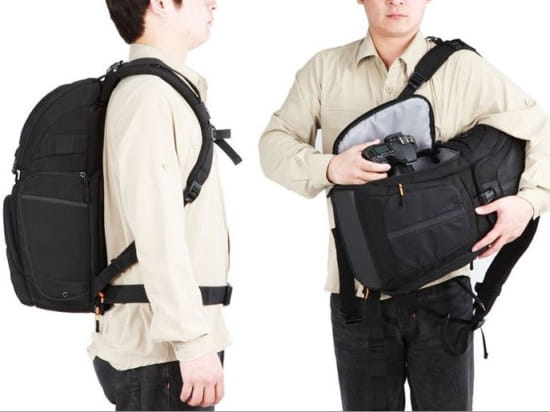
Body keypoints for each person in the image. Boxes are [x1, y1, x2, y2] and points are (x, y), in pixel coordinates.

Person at [259, 0, 550, 410]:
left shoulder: (462, 68)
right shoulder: (324, 70)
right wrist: (330, 167)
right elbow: (273, 146)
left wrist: (529, 203)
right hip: (358, 295)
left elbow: (541, 129)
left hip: (443, 290)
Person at [89, 0, 231, 410]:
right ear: (162, 3)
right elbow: (157, 229)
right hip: (162, 354)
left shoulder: (160, 90)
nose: (214, 3)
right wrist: (192, 342)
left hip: (165, 349)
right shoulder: (150, 96)